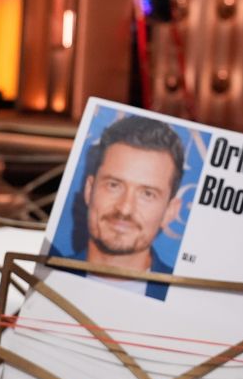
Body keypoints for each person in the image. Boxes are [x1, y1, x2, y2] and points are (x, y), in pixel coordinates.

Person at [51, 115, 185, 300]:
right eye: (114, 185)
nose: (125, 209)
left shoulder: (188, 299)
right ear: (90, 190)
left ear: (171, 211)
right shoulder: (47, 280)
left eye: (147, 194)